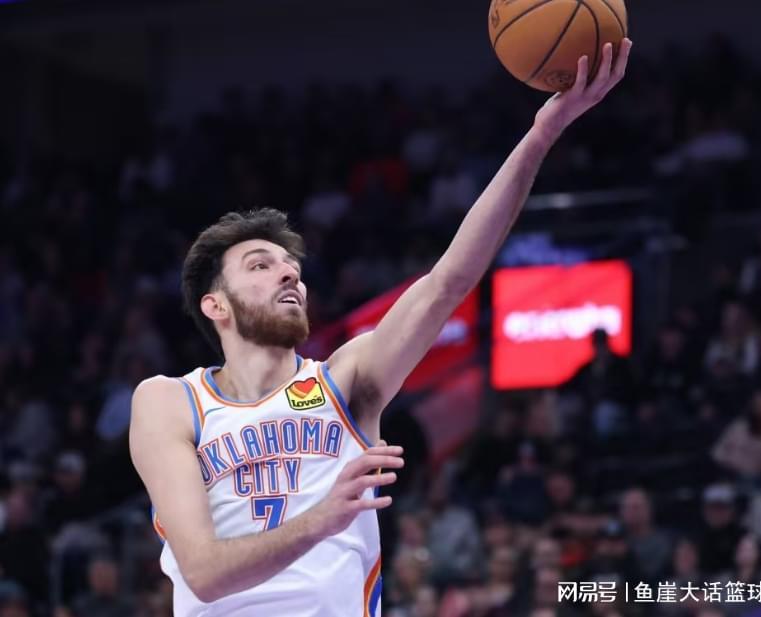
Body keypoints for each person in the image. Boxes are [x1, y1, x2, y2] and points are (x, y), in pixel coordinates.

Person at [128, 40, 632, 616]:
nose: (289, 275)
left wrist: (541, 135)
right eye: (261, 266)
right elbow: (203, 571)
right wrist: (321, 518)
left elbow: (448, 282)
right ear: (215, 305)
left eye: (292, 267)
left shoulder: (346, 379)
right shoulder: (170, 401)